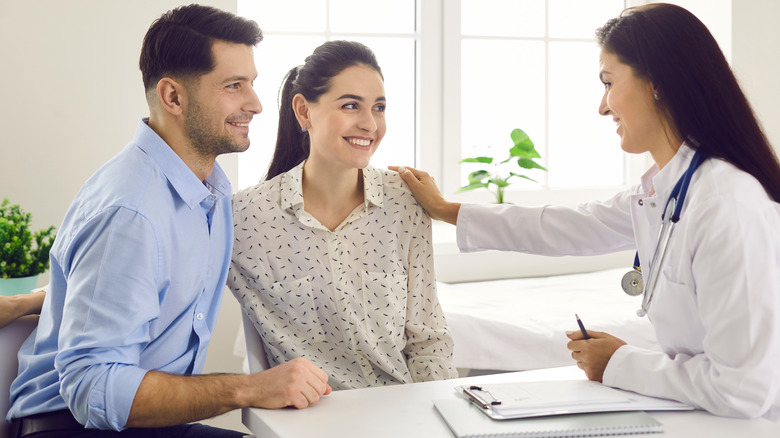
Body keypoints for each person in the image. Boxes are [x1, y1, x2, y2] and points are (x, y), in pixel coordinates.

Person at [392, 3, 780, 421]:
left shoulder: (726, 204)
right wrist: (447, 210)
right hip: (702, 418)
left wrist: (619, 362)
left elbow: (742, 390)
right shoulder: (663, 191)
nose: (602, 106)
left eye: (608, 82)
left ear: (658, 84)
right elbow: (564, 226)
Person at [6, 5, 330, 437]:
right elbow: (92, 388)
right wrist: (249, 389)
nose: (254, 104)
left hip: (142, 425)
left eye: (251, 83)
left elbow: (121, 290)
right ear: (173, 97)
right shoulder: (131, 211)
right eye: (233, 86)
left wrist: (41, 298)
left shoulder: (208, 190)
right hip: (73, 427)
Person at [229, 40, 459, 390]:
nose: (370, 124)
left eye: (379, 108)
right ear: (304, 111)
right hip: (311, 421)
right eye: (351, 105)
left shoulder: (404, 202)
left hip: (403, 411)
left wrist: (439, 413)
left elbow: (428, 342)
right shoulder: (243, 218)